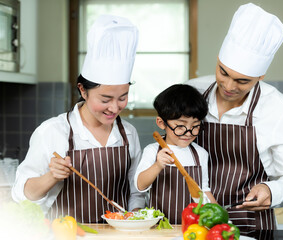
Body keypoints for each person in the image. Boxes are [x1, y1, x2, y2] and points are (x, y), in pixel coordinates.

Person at [11, 15, 146, 223]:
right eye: (105, 99)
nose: (114, 107)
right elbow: (22, 195)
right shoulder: (53, 132)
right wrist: (51, 176)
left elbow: (136, 192)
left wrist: (136, 220)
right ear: (83, 90)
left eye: (122, 98)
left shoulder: (127, 133)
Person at [186, 3, 283, 232]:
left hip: (249, 226)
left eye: (242, 81)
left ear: (260, 75)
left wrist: (271, 190)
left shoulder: (280, 110)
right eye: (223, 72)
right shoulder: (191, 91)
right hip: (193, 223)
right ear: (218, 60)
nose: (229, 86)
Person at [134, 84, 216, 224]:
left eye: (195, 126)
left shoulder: (200, 154)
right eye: (180, 126)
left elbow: (204, 190)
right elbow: (140, 185)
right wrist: (158, 165)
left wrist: (218, 214)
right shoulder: (153, 151)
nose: (188, 133)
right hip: (160, 226)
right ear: (161, 123)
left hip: (192, 227)